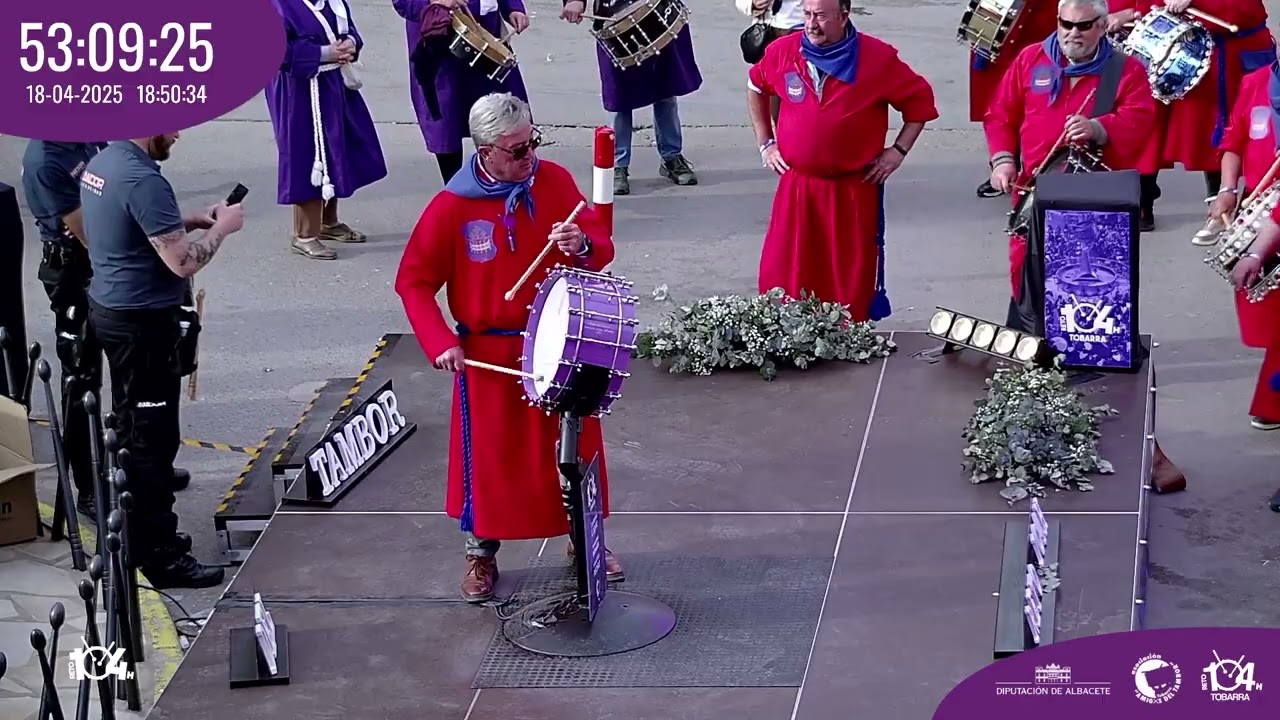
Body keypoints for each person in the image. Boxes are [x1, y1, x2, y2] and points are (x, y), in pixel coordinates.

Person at [394, 93, 623, 603]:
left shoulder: (556, 181)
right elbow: (412, 282)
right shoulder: (452, 206)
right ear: (486, 151)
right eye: (517, 150)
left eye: (532, 143)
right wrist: (439, 342)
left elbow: (601, 248)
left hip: (562, 342)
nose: (529, 157)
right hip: (490, 355)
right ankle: (481, 554)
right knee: (491, 463)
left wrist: (580, 246)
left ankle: (583, 539)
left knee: (573, 449)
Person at [79, 134, 242, 589]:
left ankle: (130, 534)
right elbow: (183, 262)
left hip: (112, 310)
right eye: (170, 126)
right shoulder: (141, 178)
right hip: (143, 324)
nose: (177, 135)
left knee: (132, 430)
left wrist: (187, 218)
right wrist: (221, 228)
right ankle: (160, 555)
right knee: (153, 443)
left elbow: (125, 225)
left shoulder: (105, 161)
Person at [22, 141, 194, 520]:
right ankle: (89, 485)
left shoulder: (88, 136)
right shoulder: (46, 159)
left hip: (107, 271)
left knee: (127, 384)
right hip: (77, 272)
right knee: (82, 384)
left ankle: (136, 471)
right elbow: (90, 233)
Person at [746, 0, 938, 322]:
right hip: (798, 188)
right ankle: (787, 332)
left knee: (847, 273)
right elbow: (756, 85)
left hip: (852, 190)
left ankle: (846, 338)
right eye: (807, 15)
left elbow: (920, 103)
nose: (811, 25)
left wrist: (898, 151)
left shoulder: (877, 59)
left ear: (844, 16)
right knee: (787, 269)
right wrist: (766, 143)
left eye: (820, 16)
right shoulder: (784, 51)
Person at [984, 0, 1155, 331]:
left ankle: (1085, 346)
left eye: (1083, 26)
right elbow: (1000, 114)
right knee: (1026, 267)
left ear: (1103, 26)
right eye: (1066, 24)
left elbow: (1141, 119)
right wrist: (1003, 161)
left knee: (1090, 275)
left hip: (1095, 195)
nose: (1072, 33)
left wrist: (1098, 128)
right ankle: (1027, 339)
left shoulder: (1125, 69)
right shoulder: (1030, 58)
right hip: (1035, 188)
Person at [1107, 0, 1272, 234]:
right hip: (1169, 36)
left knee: (1223, 125)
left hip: (1228, 44)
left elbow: (1243, 9)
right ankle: (1142, 197)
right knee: (1144, 115)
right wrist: (1133, 11)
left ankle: (1222, 197)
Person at [267, 0, 387, 260]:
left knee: (335, 148)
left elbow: (349, 29)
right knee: (307, 154)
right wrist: (324, 53)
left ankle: (327, 222)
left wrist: (351, 45)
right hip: (298, 91)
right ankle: (304, 234)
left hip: (334, 83)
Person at [561, 0, 701, 196]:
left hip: (655, 9)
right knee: (619, 99)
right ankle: (619, 166)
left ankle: (672, 157)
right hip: (613, 17)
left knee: (665, 90)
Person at [1214, 54, 1280, 429]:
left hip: (1275, 217)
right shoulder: (1256, 82)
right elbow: (1234, 140)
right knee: (1266, 308)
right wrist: (1226, 190)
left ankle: (1272, 402)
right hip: (1258, 207)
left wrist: (1257, 251)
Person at [397, 0, 532, 184]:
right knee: (446, 121)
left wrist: (513, 8)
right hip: (440, 40)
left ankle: (508, 184)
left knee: (505, 116)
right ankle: (455, 190)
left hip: (483, 33)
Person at [968, 0, 1061, 198]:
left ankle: (1039, 169)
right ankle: (1003, 165)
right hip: (999, 18)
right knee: (995, 100)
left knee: (1041, 100)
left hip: (1043, 25)